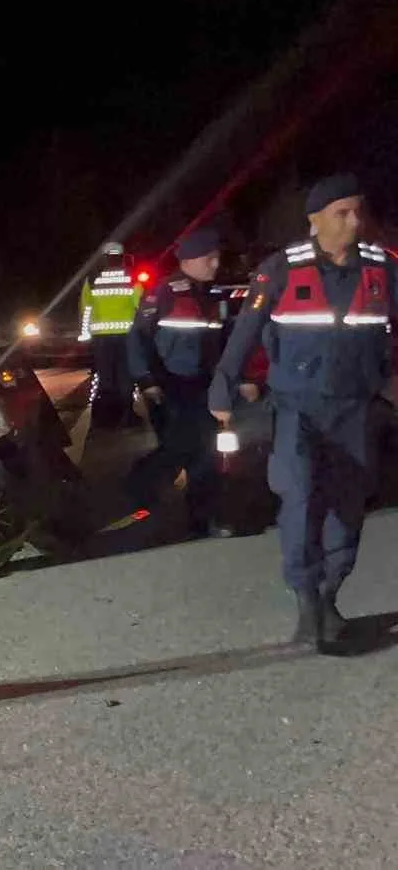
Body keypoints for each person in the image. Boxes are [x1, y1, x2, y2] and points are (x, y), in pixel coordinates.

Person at [209, 173, 394, 650]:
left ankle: (330, 594)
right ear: (315, 219)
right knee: (301, 495)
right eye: (342, 212)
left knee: (349, 505)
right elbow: (245, 332)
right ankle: (306, 598)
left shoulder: (380, 267)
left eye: (359, 211)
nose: (354, 221)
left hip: (355, 409)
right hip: (297, 409)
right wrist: (223, 390)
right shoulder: (282, 269)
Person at [126, 227, 232, 539]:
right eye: (210, 258)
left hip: (204, 386)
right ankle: (140, 485)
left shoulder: (213, 295)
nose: (216, 264)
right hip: (170, 387)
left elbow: (224, 340)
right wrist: (146, 380)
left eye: (217, 258)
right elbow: (138, 338)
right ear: (190, 259)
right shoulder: (165, 292)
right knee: (181, 449)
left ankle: (201, 523)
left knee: (206, 453)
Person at [80, 243, 144, 429]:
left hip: (101, 337)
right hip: (127, 335)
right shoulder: (131, 277)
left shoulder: (92, 278)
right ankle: (127, 415)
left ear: (104, 258)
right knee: (126, 375)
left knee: (105, 376)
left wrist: (85, 334)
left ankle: (106, 418)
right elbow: (139, 305)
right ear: (123, 257)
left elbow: (86, 308)